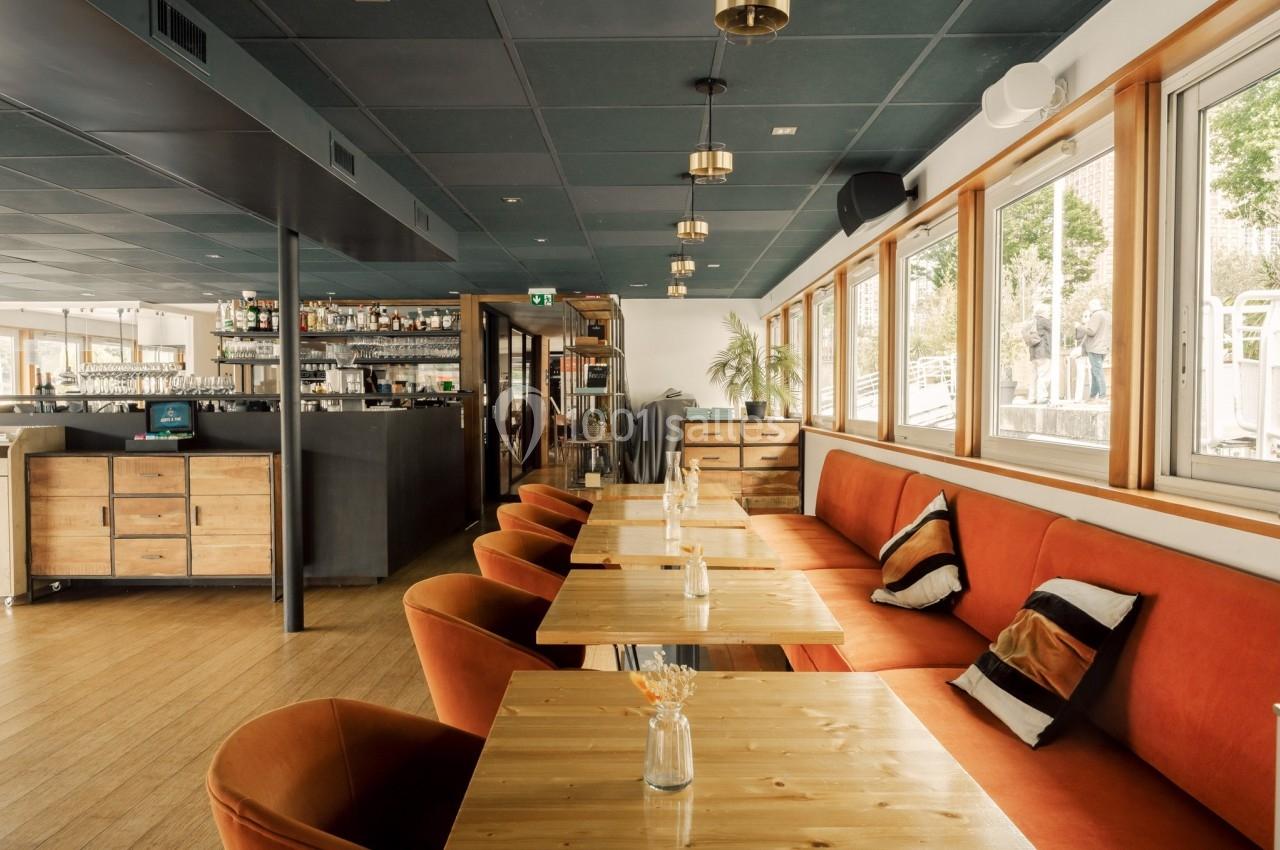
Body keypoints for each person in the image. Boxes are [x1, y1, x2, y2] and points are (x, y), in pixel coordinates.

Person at [1076, 298, 1112, 402]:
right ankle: (1092, 396)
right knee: (1095, 371)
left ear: (1093, 306)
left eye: (1089, 306)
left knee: (1097, 371)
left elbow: (1091, 331)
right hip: (1104, 347)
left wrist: (1080, 327)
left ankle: (1102, 395)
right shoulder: (1108, 315)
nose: (1089, 309)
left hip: (1095, 347)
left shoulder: (1096, 315)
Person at [1022, 303, 1052, 404]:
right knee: (1044, 375)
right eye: (1048, 311)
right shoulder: (1044, 321)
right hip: (1043, 353)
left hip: (1033, 354)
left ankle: (1032, 398)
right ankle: (1042, 397)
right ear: (1043, 312)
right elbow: (1055, 330)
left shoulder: (1030, 322)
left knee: (1034, 377)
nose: (1049, 313)